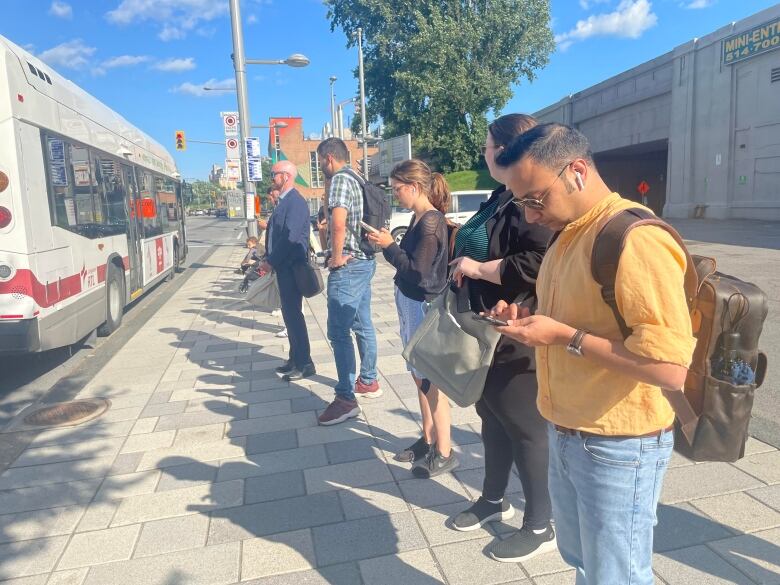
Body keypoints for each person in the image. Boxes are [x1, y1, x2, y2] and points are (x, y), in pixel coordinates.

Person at [490, 123, 696, 584]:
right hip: (567, 427)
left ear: (577, 172)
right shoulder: (568, 231)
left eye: (534, 198)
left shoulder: (634, 238)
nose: (528, 216)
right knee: (584, 561)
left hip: (618, 442)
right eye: (519, 202)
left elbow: (670, 369)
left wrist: (565, 337)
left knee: (616, 574)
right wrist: (524, 313)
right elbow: (570, 309)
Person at [447, 114, 555, 562]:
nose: (483, 151)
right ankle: (493, 499)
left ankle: (540, 523)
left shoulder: (529, 201)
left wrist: (475, 268)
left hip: (517, 328)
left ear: (508, 149)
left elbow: (537, 260)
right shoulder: (499, 196)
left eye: (489, 144)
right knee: (491, 416)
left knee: (525, 427)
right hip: (484, 327)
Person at [367, 159, 457, 478]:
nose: (395, 196)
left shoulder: (430, 222)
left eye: (397, 189)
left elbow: (419, 273)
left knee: (430, 378)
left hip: (422, 304)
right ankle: (430, 437)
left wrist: (389, 247)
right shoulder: (420, 217)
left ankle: (444, 450)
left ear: (414, 187)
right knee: (419, 376)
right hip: (411, 303)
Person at [316, 137, 379, 426]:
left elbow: (338, 222)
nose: (320, 167)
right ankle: (368, 381)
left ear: (329, 157)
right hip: (365, 260)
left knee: (339, 331)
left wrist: (337, 257)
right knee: (362, 323)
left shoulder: (341, 179)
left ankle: (345, 398)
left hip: (350, 264)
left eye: (320, 162)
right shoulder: (358, 176)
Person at [260, 160, 316, 381]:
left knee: (294, 316)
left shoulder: (295, 202)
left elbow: (290, 237)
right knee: (289, 316)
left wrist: (271, 261)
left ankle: (305, 363)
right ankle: (295, 359)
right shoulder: (285, 202)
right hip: (285, 268)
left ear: (285, 176)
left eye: (274, 175)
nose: (272, 179)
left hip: (293, 267)